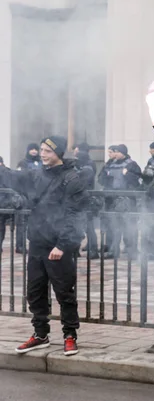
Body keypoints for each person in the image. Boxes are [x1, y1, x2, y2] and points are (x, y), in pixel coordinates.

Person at [11, 136, 87, 356]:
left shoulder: (72, 178)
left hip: (58, 247)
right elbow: (13, 178)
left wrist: (62, 245)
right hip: (37, 243)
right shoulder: (36, 174)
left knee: (64, 293)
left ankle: (70, 335)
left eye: (48, 151)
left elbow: (75, 215)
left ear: (59, 153)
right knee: (35, 292)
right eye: (42, 149)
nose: (43, 153)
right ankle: (40, 334)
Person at [98, 144, 142, 259]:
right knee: (113, 225)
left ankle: (131, 249)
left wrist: (127, 174)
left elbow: (137, 181)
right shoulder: (109, 164)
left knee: (129, 225)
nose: (115, 154)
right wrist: (107, 179)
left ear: (123, 153)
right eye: (114, 152)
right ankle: (113, 249)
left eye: (117, 152)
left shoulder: (132, 164)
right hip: (112, 197)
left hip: (127, 197)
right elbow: (101, 178)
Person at [15, 143, 42, 253]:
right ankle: (20, 246)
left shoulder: (41, 162)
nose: (34, 151)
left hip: (38, 196)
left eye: (36, 149)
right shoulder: (23, 162)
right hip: (25, 195)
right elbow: (20, 177)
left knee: (37, 222)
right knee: (22, 223)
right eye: (32, 149)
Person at [74, 143, 99, 259]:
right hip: (77, 199)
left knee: (88, 226)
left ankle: (93, 250)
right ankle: (75, 249)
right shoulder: (79, 167)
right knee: (76, 226)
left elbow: (82, 182)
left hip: (85, 199)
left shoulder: (87, 168)